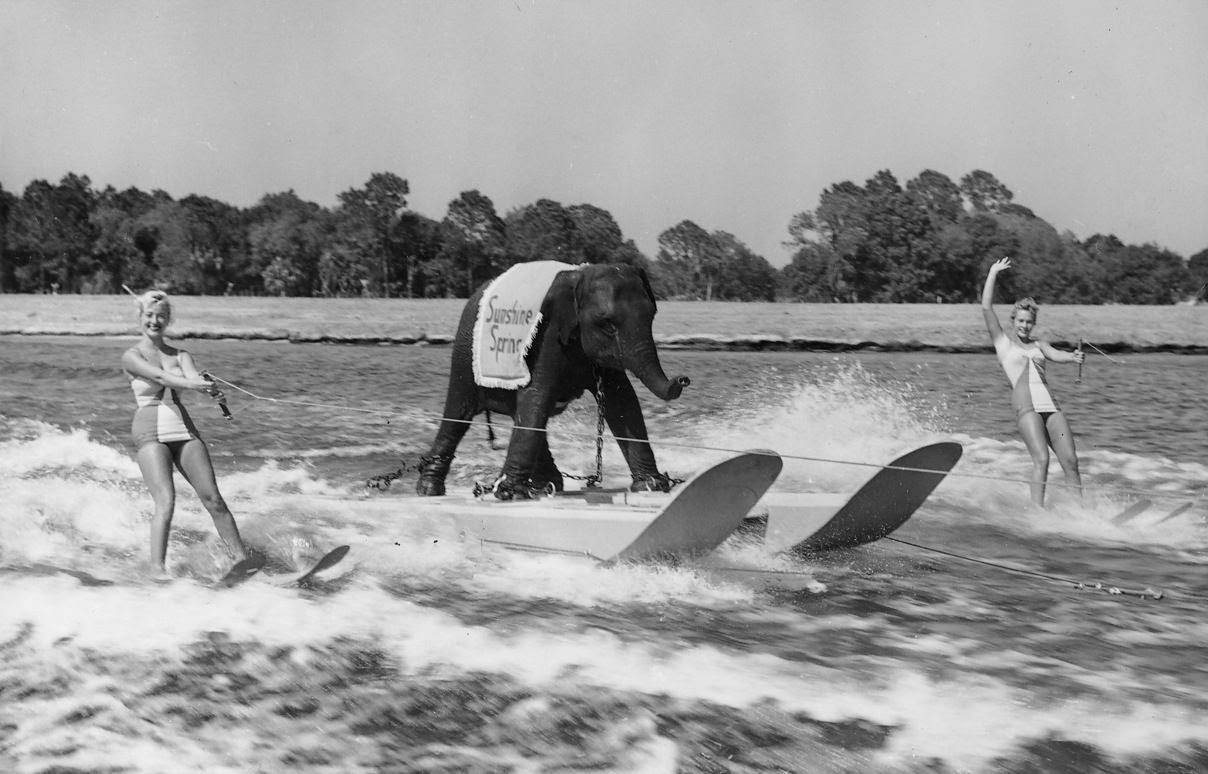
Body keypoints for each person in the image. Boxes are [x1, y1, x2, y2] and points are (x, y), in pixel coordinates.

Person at [121, 290, 255, 578]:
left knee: (214, 499)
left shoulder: (181, 355)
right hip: (149, 431)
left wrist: (209, 388)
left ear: (168, 320)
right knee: (166, 501)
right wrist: (192, 385)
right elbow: (159, 378)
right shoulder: (131, 356)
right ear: (140, 318)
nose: (155, 321)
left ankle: (241, 562)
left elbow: (192, 378)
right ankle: (157, 570)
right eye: (149, 316)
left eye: (161, 317)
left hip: (183, 429)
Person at [981, 257, 1085, 508]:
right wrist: (993, 273)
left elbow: (1054, 354)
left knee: (1070, 461)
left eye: (1029, 322)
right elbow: (986, 308)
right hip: (1026, 408)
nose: (1025, 326)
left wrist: (1072, 357)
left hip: (1050, 407)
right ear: (1013, 321)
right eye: (1021, 321)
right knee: (1042, 460)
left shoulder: (1040, 345)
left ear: (1033, 323)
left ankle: (1080, 514)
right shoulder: (1003, 344)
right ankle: (1037, 513)